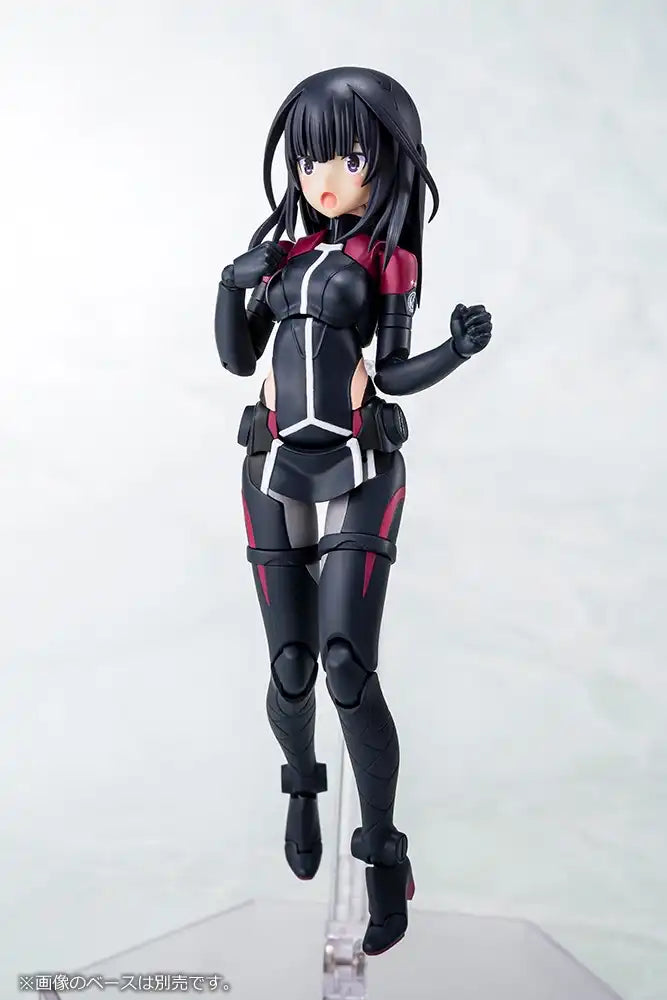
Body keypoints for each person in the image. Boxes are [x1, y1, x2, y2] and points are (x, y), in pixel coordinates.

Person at [214, 66, 492, 955]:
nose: (323, 178)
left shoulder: (386, 258)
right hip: (270, 460)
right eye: (308, 161)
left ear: (386, 164)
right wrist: (230, 283)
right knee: (291, 666)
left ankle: (382, 853)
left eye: (347, 159)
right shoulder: (282, 253)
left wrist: (454, 350)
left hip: (361, 460)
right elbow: (236, 358)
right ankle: (301, 783)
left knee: (344, 664)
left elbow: (396, 369)